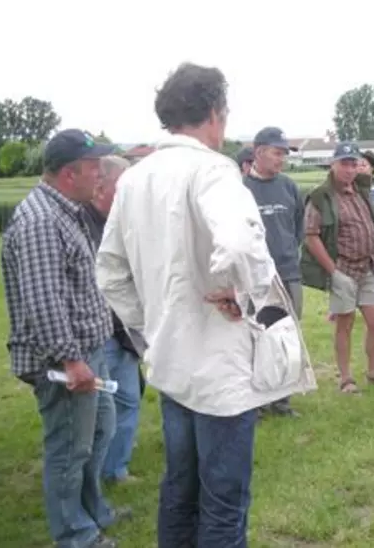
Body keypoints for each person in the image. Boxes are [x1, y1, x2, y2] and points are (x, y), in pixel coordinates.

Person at [95, 62, 317, 548]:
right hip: (220, 370)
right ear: (215, 113)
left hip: (171, 361)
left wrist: (150, 324)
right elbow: (238, 245)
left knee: (180, 488)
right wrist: (243, 292)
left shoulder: (135, 177)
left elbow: (109, 271)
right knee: (222, 501)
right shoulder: (212, 169)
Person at [0, 129, 129, 548]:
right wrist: (72, 360)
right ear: (70, 174)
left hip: (87, 350)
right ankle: (75, 534)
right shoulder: (40, 220)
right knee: (70, 448)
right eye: (95, 167)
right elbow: (43, 300)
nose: (101, 175)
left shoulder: (64, 210)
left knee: (98, 432)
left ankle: (93, 510)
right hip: (65, 359)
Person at [301, 142, 374, 394]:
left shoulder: (363, 190)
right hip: (344, 270)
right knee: (345, 323)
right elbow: (311, 235)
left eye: (353, 163)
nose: (349, 168)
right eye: (344, 163)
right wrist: (333, 271)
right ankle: (346, 379)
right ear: (333, 165)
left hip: (368, 268)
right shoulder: (320, 196)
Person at [84, 155, 143, 484]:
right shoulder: (82, 223)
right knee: (99, 408)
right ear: (100, 186)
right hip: (98, 335)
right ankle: (92, 473)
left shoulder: (125, 223)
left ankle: (115, 469)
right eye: (122, 188)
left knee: (128, 400)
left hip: (125, 331)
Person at [243, 126, 303, 418]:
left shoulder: (289, 186)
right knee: (256, 337)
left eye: (284, 154)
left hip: (288, 273)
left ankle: (282, 400)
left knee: (286, 337)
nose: (282, 159)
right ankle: (257, 402)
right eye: (277, 153)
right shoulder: (241, 189)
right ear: (258, 152)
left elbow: (298, 227)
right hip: (255, 279)